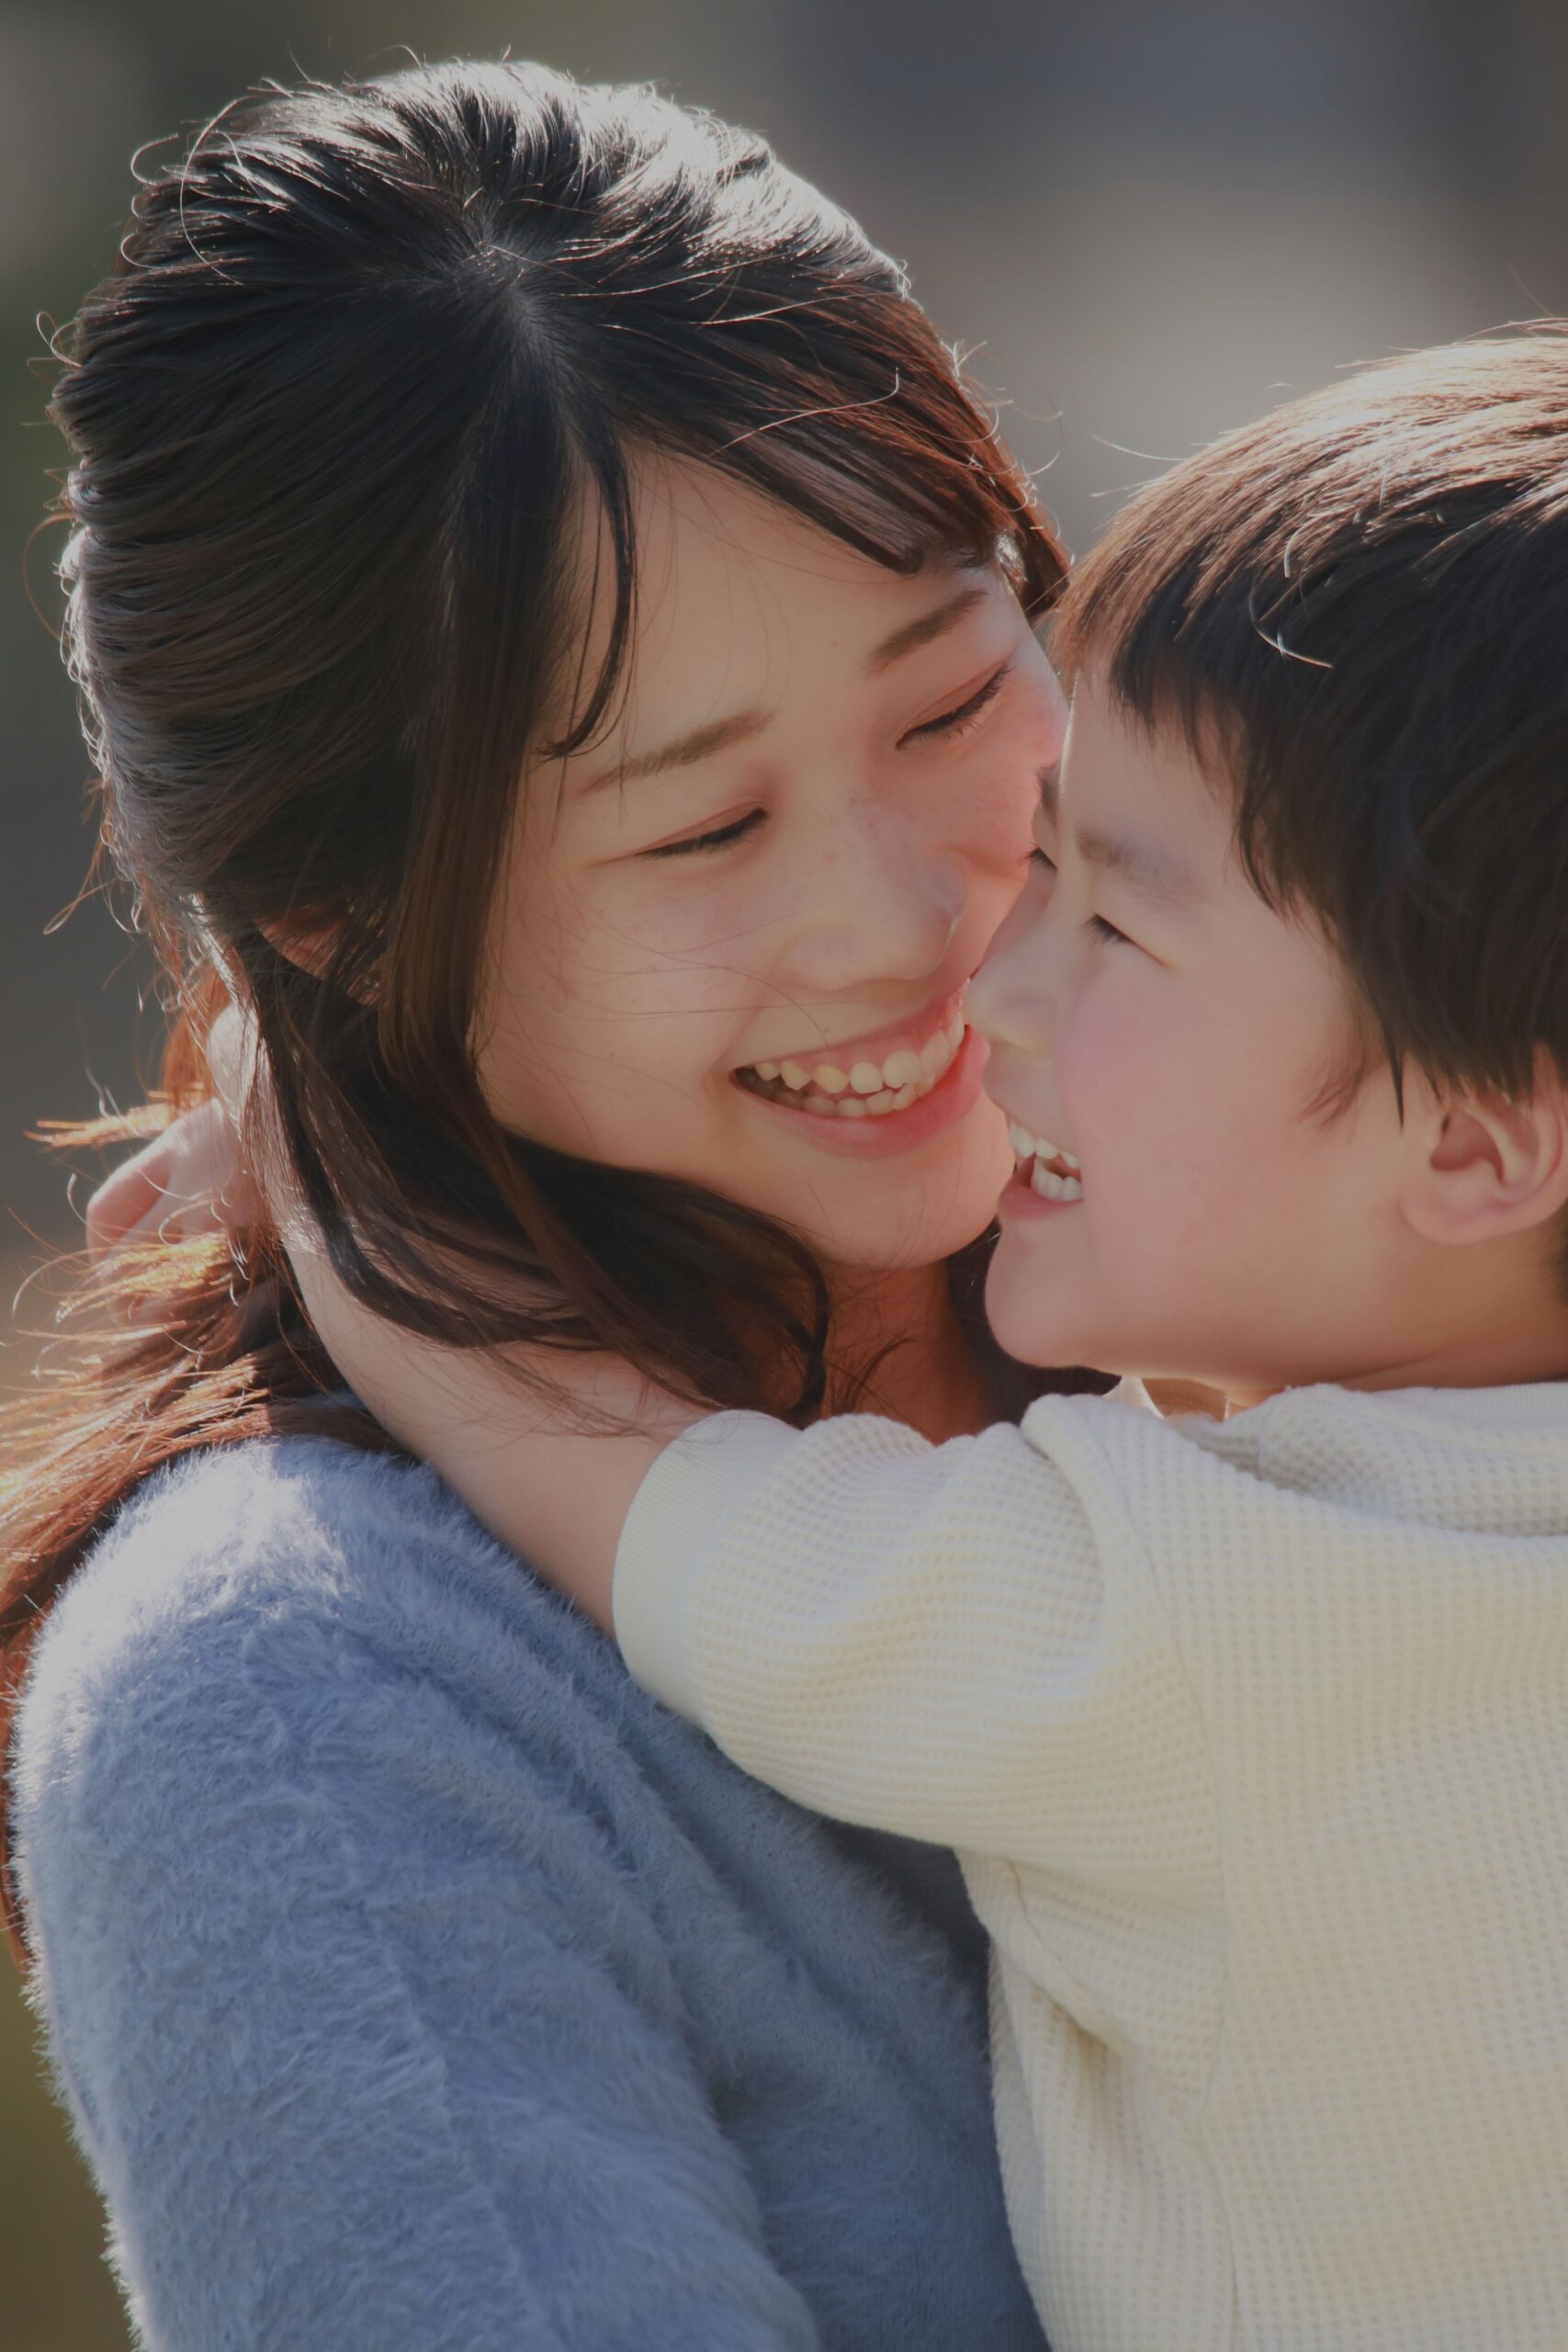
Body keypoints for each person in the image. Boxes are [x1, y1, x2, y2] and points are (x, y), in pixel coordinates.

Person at [288, 336, 1568, 2352]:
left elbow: (643, 1499)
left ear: (1483, 1135)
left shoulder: (1216, 1609)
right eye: (1040, 859)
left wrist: (324, 1158)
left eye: (1114, 927)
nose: (985, 976)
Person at [1, 58, 1082, 2351]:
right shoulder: (304, 1697)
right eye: (699, 832)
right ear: (333, 907)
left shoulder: (1333, 1271)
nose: (905, 916)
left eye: (951, 696)